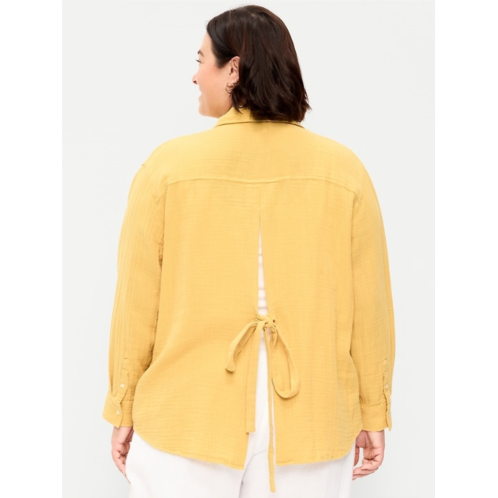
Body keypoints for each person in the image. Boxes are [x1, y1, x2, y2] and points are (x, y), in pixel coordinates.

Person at [103, 5, 395, 498]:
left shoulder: (167, 168)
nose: (195, 75)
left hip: (188, 410)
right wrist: (373, 411)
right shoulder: (344, 170)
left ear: (233, 70)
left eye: (201, 60)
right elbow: (372, 309)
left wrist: (123, 404)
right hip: (313, 414)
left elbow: (136, 304)